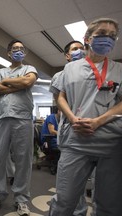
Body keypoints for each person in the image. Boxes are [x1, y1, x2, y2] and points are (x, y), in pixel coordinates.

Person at [49, 18, 122, 216]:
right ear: (88, 38)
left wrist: (100, 120)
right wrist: (73, 118)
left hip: (110, 141)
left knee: (110, 203)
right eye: (101, 34)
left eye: (112, 36)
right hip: (77, 140)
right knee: (64, 200)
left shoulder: (119, 70)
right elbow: (60, 95)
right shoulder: (70, 68)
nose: (107, 39)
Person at [0, 39, 38, 216]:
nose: (18, 51)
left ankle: (21, 199)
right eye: (15, 49)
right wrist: (16, 83)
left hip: (22, 118)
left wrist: (6, 83)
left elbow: (27, 83)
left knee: (23, 160)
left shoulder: (30, 69)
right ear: (8, 53)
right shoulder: (1, 71)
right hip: (2, 118)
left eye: (22, 48)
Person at [49, 40, 90, 216]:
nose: (79, 51)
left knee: (101, 188)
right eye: (75, 49)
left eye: (82, 48)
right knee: (69, 188)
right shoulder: (61, 75)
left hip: (97, 134)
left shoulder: (93, 72)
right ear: (67, 55)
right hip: (72, 134)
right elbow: (60, 101)